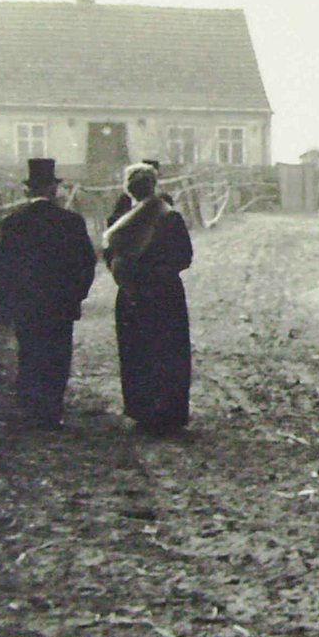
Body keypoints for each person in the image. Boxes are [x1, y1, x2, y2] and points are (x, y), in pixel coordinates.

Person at [0, 159, 97, 429]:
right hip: (59, 304)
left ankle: (30, 407)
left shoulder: (13, 223)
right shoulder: (70, 222)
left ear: (28, 191)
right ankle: (51, 410)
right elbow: (86, 263)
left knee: (29, 352)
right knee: (57, 355)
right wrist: (76, 295)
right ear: (53, 190)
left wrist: (7, 302)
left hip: (26, 303)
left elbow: (2, 268)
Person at [102, 162, 194, 434]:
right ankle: (170, 413)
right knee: (168, 350)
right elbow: (184, 257)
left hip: (132, 293)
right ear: (155, 186)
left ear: (127, 188)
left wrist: (129, 275)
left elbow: (110, 257)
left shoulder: (118, 221)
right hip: (165, 293)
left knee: (136, 350)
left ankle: (141, 410)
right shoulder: (169, 216)